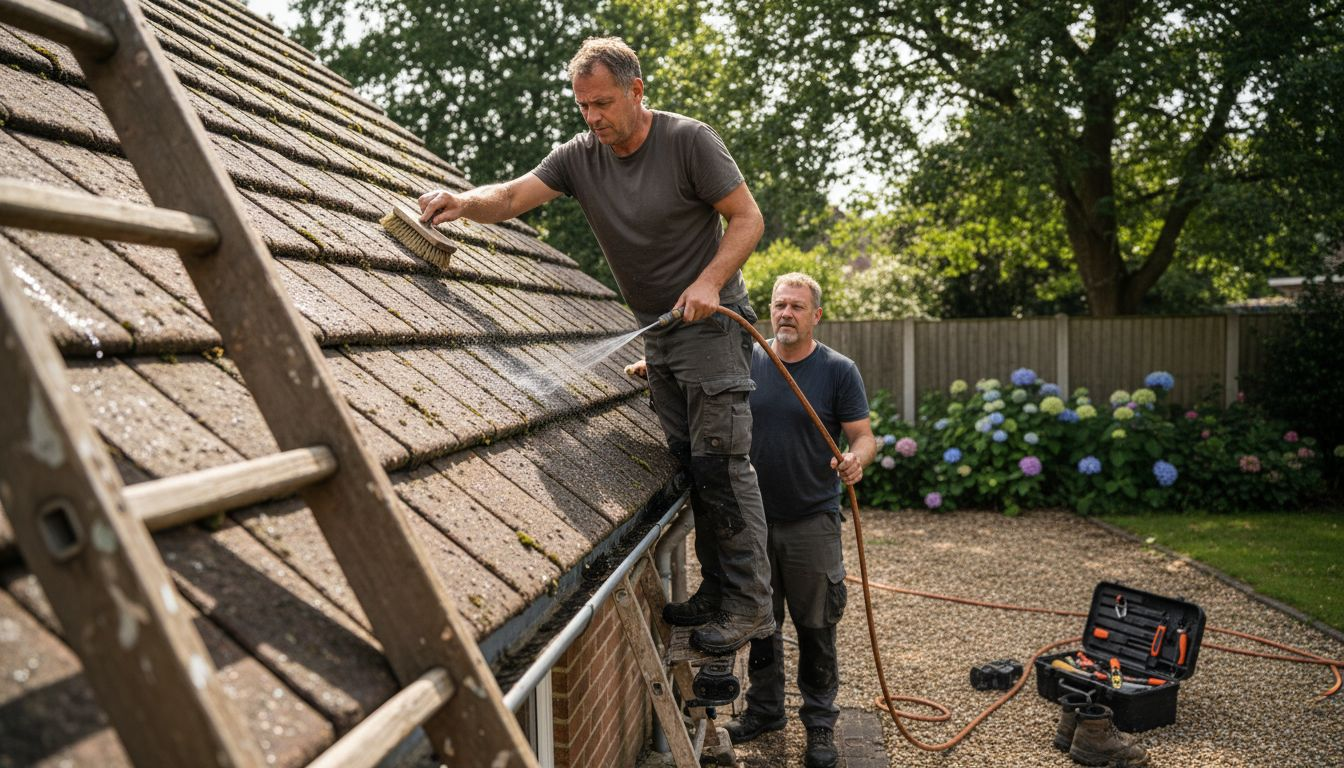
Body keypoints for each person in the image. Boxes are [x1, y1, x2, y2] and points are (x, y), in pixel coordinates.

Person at [418, 36, 773, 654]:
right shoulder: (580, 156)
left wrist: (711, 280)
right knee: (695, 467)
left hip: (712, 328)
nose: (593, 118)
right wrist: (460, 202)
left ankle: (748, 606)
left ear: (638, 91)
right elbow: (509, 197)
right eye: (583, 106)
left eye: (603, 103)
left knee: (722, 464)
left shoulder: (689, 140)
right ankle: (719, 591)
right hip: (662, 334)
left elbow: (748, 218)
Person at [728, 272, 876, 768]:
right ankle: (765, 711)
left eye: (796, 306)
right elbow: (700, 375)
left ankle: (819, 725)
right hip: (754, 519)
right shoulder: (749, 359)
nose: (785, 313)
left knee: (816, 625)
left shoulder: (837, 370)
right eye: (778, 305)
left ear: (816, 315)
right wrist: (656, 367)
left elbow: (863, 436)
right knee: (761, 624)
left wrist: (856, 459)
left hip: (812, 519)